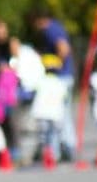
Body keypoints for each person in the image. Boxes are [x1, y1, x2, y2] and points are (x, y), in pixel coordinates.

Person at [32, 9, 75, 160]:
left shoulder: (51, 30)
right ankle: (65, 147)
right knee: (62, 114)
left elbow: (64, 49)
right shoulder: (56, 27)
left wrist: (54, 64)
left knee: (57, 115)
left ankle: (66, 148)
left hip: (59, 78)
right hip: (63, 77)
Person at [30, 54, 67, 164]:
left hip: (41, 113)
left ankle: (43, 155)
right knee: (55, 135)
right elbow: (64, 98)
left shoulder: (39, 81)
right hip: (55, 113)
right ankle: (55, 156)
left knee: (42, 136)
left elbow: (32, 92)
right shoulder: (61, 83)